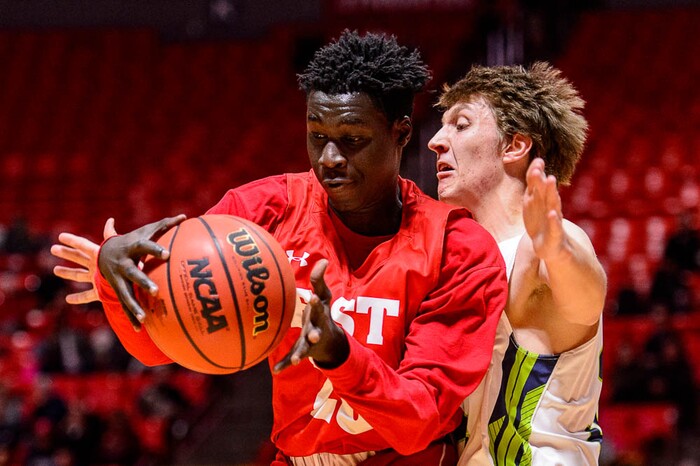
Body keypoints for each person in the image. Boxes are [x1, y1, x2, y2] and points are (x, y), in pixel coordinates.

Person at [51, 30, 508, 464]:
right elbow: (160, 348)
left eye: (352, 140)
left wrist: (340, 356)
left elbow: (419, 419)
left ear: (401, 133)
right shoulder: (261, 211)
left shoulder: (459, 248)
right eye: (317, 135)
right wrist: (118, 278)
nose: (330, 158)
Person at [427, 63, 607, 465]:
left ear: (513, 147)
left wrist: (555, 248)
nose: (436, 141)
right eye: (442, 126)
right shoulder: (453, 262)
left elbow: (586, 301)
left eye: (461, 124)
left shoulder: (543, 244)